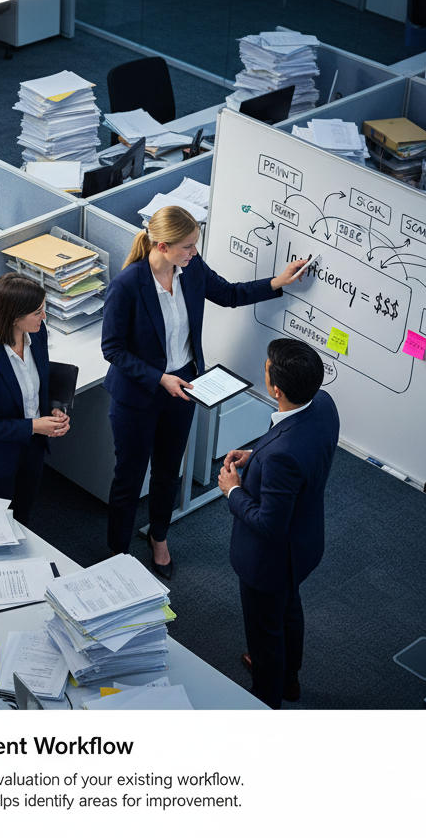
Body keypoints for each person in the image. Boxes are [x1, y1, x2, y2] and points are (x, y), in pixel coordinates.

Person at [101, 205, 308, 578]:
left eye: (195, 245)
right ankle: (117, 551)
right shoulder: (128, 285)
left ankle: (159, 537)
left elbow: (228, 293)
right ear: (162, 246)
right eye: (188, 247)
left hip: (183, 387)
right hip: (138, 393)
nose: (194, 253)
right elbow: (112, 349)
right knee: (129, 478)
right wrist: (158, 377)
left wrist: (277, 283)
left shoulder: (191, 270)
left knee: (168, 471)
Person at [218, 338, 339, 709]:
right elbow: (298, 450)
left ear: (276, 389)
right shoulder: (323, 405)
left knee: (265, 635)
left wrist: (232, 491)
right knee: (289, 610)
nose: (265, 367)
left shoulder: (282, 459)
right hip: (304, 545)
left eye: (268, 367)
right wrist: (257, 456)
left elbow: (269, 524)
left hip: (268, 561)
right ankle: (290, 681)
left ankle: (267, 699)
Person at [0, 272, 68, 526]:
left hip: (33, 449)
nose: (44, 316)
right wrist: (33, 426)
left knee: (22, 518)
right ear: (15, 318)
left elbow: (38, 383)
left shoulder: (38, 334)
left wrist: (53, 410)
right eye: (38, 312)